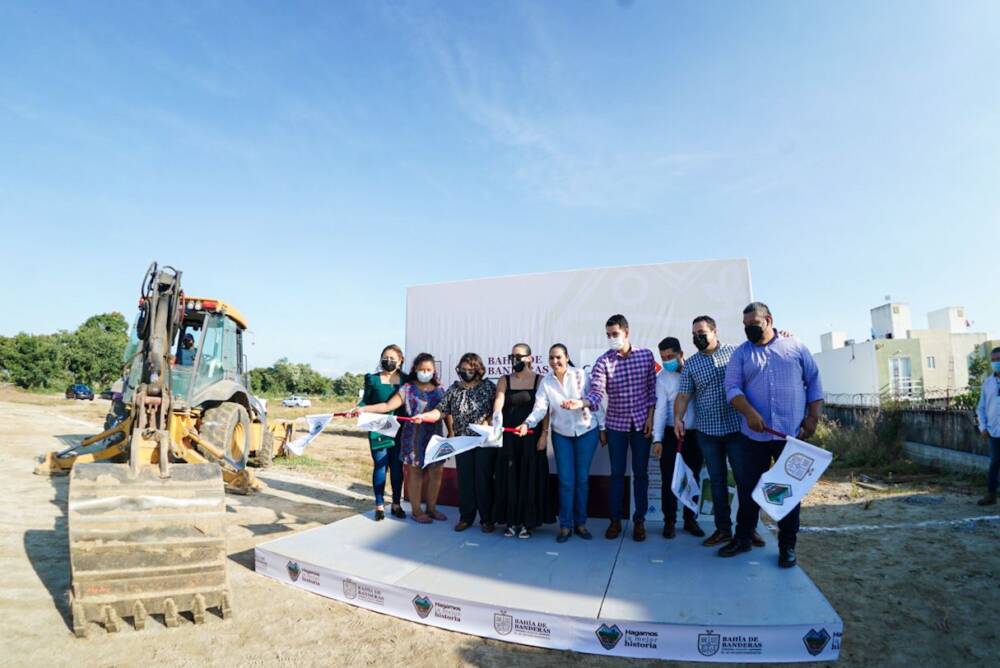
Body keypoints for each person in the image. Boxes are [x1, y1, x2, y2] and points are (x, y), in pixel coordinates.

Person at [724, 302, 823, 568]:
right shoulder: (741, 354)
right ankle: (743, 537)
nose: (748, 330)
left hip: (788, 437)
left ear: (768, 320)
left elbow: (814, 380)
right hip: (753, 437)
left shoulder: (795, 346)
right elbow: (732, 387)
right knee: (748, 490)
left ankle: (787, 546)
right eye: (745, 326)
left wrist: (813, 417)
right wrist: (748, 412)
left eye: (753, 325)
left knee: (787, 492)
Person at [674, 315, 765, 549]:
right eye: (694, 334)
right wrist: (677, 418)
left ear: (715, 331)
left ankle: (748, 529)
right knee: (716, 483)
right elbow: (683, 395)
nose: (697, 337)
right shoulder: (692, 364)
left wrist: (784, 335)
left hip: (737, 430)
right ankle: (723, 530)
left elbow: (764, 349)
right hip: (708, 433)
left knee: (745, 482)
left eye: (702, 333)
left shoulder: (737, 353)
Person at [578, 314, 657, 542]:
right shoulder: (604, 361)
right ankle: (615, 521)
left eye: (615, 334)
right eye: (608, 335)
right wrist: (582, 402)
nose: (612, 338)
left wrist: (650, 418)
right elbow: (596, 393)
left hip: (642, 424)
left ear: (626, 332)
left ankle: (639, 521)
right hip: (616, 426)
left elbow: (652, 391)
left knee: (641, 475)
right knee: (616, 475)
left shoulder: (645, 355)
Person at [515, 344, 604, 543]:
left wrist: (603, 428)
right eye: (551, 358)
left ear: (567, 357)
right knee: (565, 481)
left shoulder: (580, 375)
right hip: (561, 434)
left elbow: (595, 400)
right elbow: (540, 409)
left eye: (558, 357)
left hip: (586, 431)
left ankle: (580, 523)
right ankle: (565, 526)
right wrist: (527, 423)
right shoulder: (546, 382)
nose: (555, 362)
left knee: (581, 479)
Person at [356, 353, 446, 524]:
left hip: (435, 438)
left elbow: (446, 412)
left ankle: (432, 508)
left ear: (434, 371)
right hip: (412, 438)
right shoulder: (407, 389)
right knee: (415, 473)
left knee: (436, 473)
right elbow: (387, 406)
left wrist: (451, 431)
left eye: (428, 369)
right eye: (421, 369)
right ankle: (417, 511)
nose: (425, 372)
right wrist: (364, 409)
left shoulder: (441, 389)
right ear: (415, 370)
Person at [412, 353, 497, 532]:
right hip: (461, 442)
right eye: (463, 369)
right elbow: (440, 411)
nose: (466, 372)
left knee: (483, 480)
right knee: (465, 480)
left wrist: (488, 419)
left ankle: (487, 519)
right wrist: (424, 417)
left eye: (470, 369)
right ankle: (466, 517)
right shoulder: (454, 389)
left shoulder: (488, 386)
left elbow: (497, 410)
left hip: (484, 441)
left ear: (478, 370)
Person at [493, 343, 551, 538]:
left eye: (519, 356)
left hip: (531, 438)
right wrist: (496, 417)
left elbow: (544, 410)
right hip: (509, 437)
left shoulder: (540, 380)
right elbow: (499, 401)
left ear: (529, 358)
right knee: (509, 477)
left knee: (530, 477)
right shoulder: (504, 380)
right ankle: (511, 522)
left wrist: (544, 433)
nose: (515, 360)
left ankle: (528, 523)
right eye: (512, 356)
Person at [651, 337, 705, 539]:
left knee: (694, 478)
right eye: (663, 358)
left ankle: (690, 519)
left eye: (671, 356)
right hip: (671, 434)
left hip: (696, 434)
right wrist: (657, 439)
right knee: (669, 479)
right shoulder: (662, 378)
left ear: (681, 354)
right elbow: (660, 410)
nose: (667, 361)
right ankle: (669, 521)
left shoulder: (696, 370)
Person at [356, 345, 406, 522]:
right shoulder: (372, 379)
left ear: (400, 360)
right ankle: (379, 505)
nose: (388, 361)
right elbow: (365, 401)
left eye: (393, 358)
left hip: (400, 429)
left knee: (397, 467)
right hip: (378, 428)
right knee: (380, 465)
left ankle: (396, 504)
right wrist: (358, 409)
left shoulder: (406, 380)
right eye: (385, 357)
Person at [976, 346, 1000, 506]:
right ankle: (991, 494)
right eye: (993, 360)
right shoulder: (988, 383)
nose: (996, 363)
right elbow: (981, 407)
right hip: (993, 431)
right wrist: (983, 427)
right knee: (995, 462)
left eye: (998, 360)